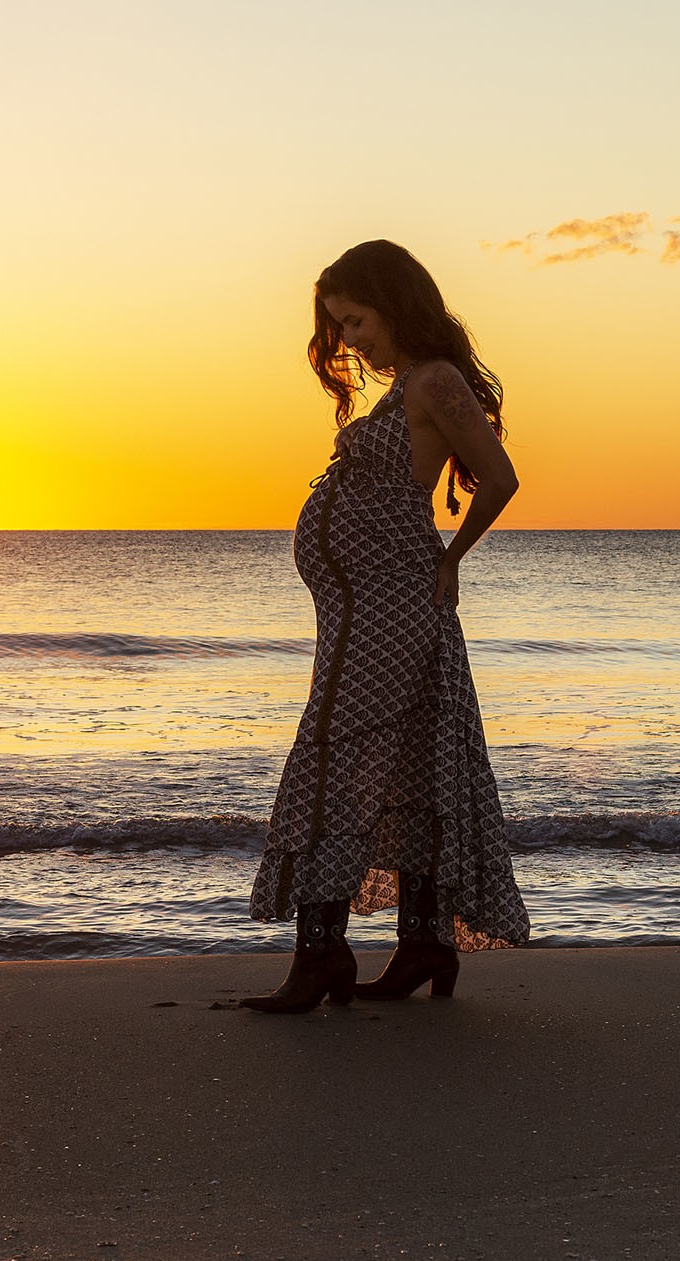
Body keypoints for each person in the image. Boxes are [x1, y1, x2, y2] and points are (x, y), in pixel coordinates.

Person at [246, 240, 530, 1013]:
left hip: (392, 605)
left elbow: (500, 477)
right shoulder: (406, 386)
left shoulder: (434, 381)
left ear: (395, 303)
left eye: (356, 319)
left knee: (331, 764)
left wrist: (452, 558)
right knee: (408, 762)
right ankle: (423, 945)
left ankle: (321, 957)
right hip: (361, 606)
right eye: (339, 326)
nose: (349, 340)